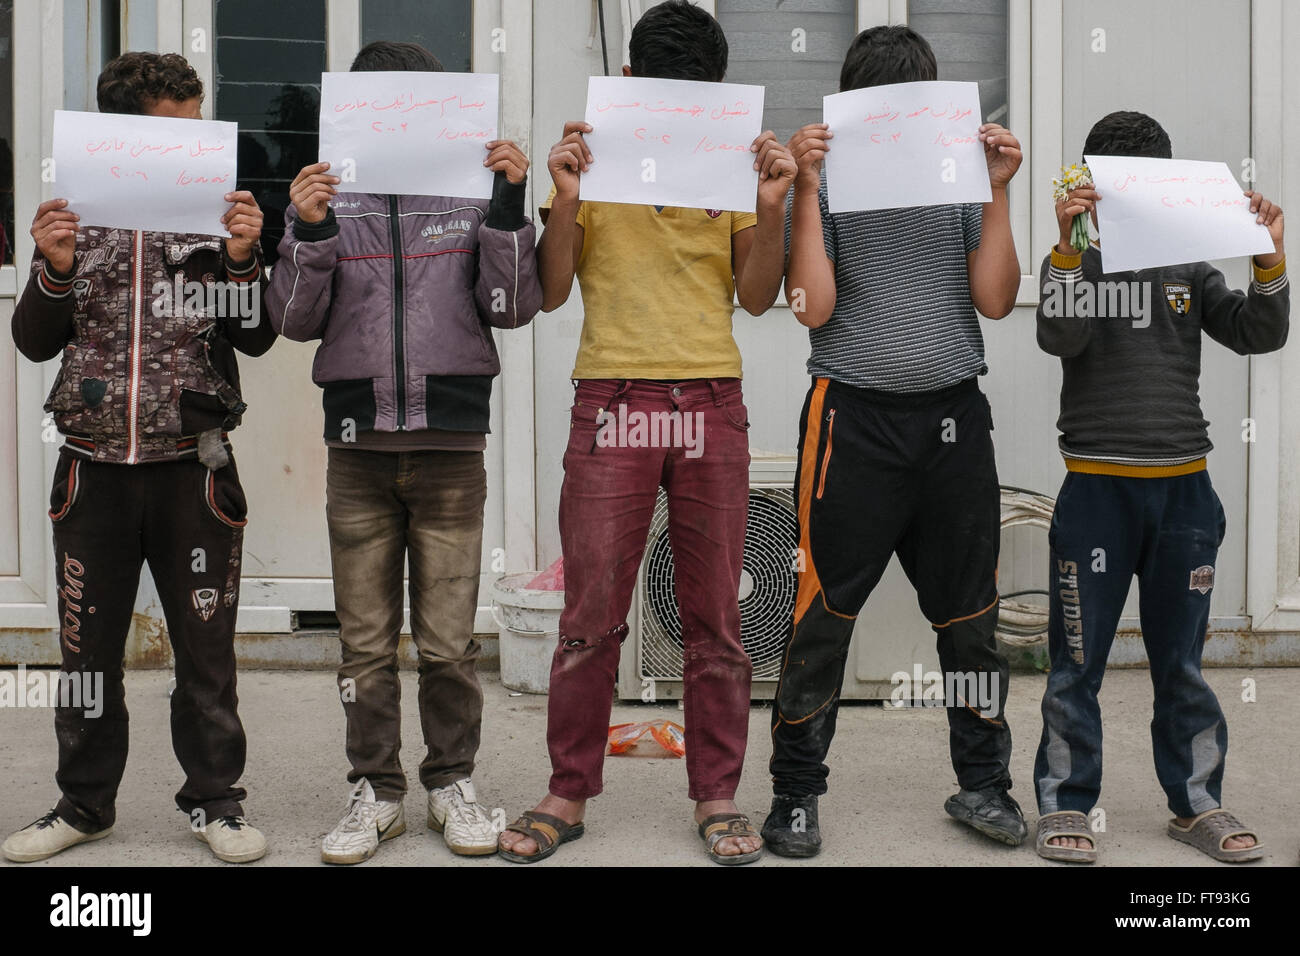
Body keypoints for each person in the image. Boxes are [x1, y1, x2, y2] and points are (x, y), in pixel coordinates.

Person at [496, 0, 795, 865]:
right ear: (627, 84)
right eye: (662, 95)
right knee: (590, 614)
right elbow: (551, 293)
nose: (679, 113)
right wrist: (564, 196)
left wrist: (771, 201)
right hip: (611, 397)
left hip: (711, 398)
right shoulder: (592, 162)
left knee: (717, 617)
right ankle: (568, 788)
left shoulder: (732, 166)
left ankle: (717, 795)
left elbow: (758, 295)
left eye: (696, 99)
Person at [265, 40, 542, 863]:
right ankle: (375, 790)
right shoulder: (327, 196)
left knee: (452, 643)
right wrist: (308, 228)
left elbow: (513, 303)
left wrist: (508, 203)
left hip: (452, 447)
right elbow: (291, 320)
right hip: (356, 447)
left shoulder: (470, 191)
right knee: (364, 641)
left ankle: (451, 781)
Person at [3, 52, 273, 864]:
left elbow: (257, 335)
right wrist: (52, 267)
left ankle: (216, 803)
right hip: (91, 471)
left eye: (198, 126)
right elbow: (31, 340)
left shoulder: (217, 215)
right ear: (120, 131)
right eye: (175, 129)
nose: (194, 145)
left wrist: (240, 260)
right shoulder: (73, 218)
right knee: (86, 655)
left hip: (196, 465)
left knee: (206, 651)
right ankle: (84, 806)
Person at [765, 25, 1026, 858]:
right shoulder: (832, 177)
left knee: (972, 619)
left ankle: (984, 785)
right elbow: (810, 306)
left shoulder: (961, 177)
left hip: (954, 422)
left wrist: (997, 191)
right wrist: (807, 186)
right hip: (853, 422)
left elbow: (994, 301)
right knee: (821, 617)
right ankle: (796, 794)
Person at [1033, 110, 1285, 864]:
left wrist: (1269, 261)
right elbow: (1060, 335)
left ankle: (1196, 803)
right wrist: (1066, 245)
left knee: (1181, 664)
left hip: (1184, 495)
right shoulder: (1074, 261)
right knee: (1077, 663)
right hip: (1096, 496)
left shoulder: (1190, 265)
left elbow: (1256, 332)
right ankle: (1065, 805)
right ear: (1093, 190)